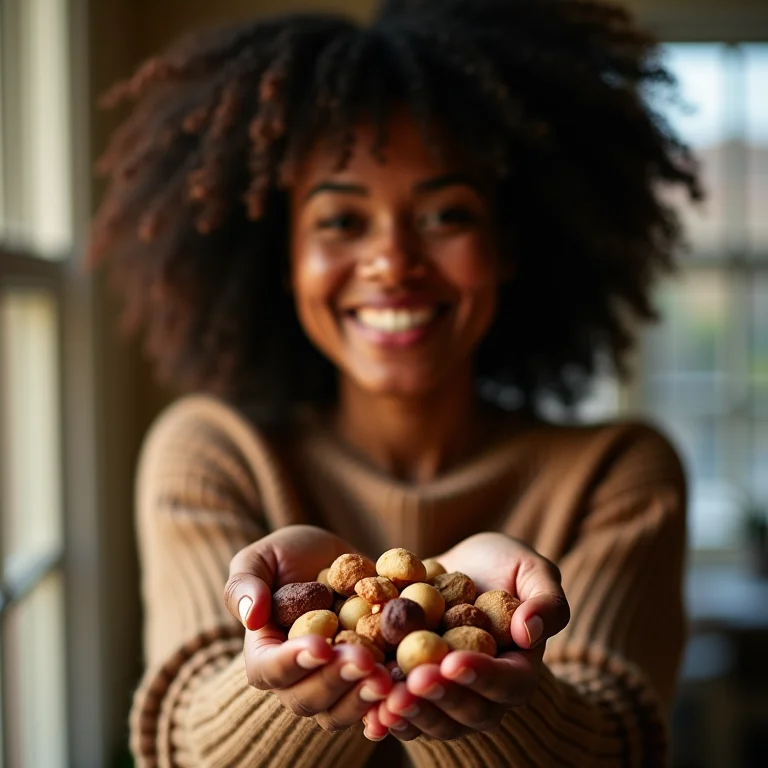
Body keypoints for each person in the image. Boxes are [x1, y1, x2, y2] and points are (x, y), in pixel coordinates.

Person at [90, 1, 701, 765]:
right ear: (285, 257)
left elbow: (616, 744)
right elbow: (187, 746)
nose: (393, 263)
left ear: (508, 244)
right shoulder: (214, 452)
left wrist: (492, 693)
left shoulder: (618, 473)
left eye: (446, 214)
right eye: (342, 221)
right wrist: (290, 678)